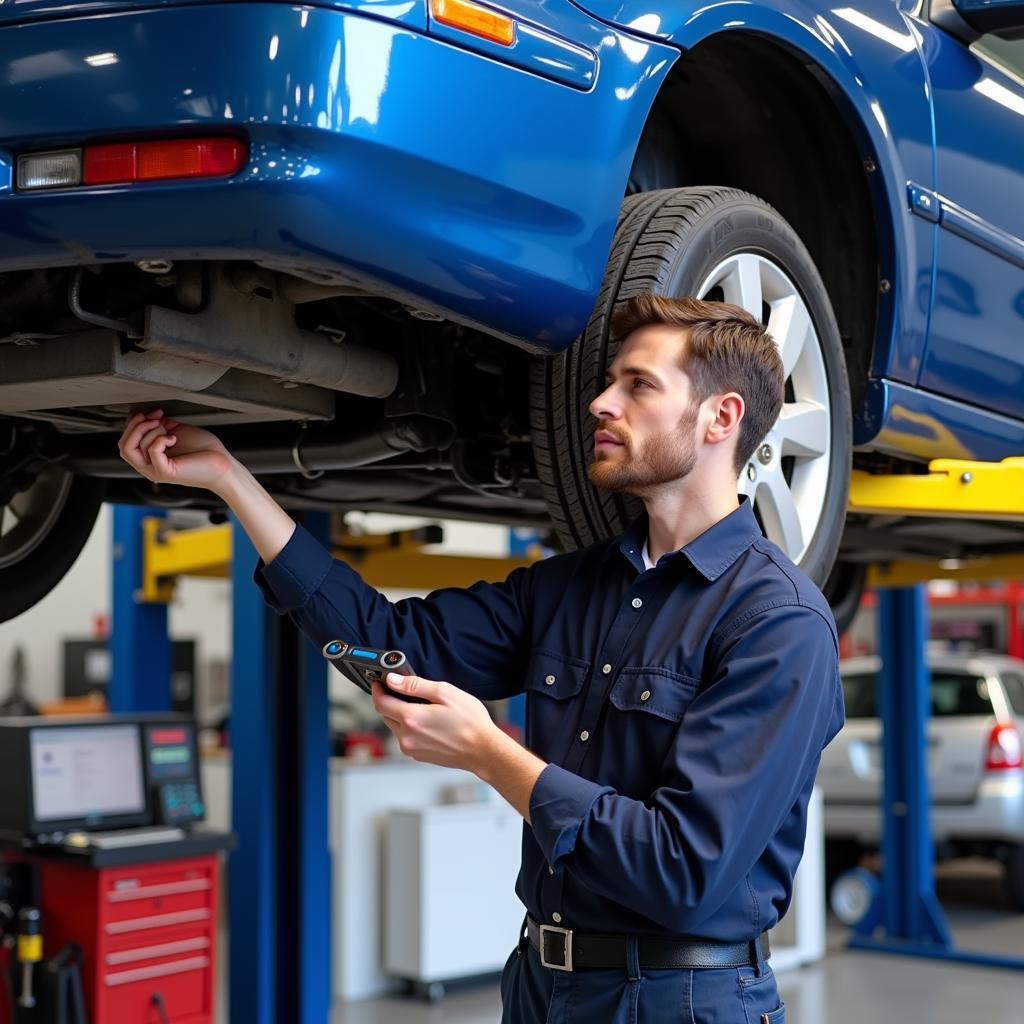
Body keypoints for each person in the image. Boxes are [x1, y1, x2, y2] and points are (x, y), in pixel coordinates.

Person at [118, 293, 843, 1023]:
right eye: (611, 380)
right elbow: (384, 640)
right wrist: (232, 482)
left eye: (638, 385)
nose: (599, 402)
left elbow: (680, 870)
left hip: (681, 1001)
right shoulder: (569, 588)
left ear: (722, 419)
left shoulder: (777, 624)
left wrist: (490, 755)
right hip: (540, 984)